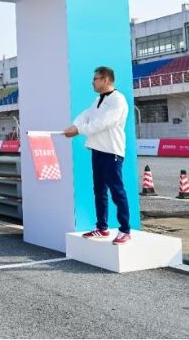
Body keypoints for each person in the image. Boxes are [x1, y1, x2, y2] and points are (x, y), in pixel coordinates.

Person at [63, 66, 131, 245]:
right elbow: (85, 116)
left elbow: (103, 123)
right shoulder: (97, 100)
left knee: (117, 191)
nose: (92, 82)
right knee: (99, 191)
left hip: (112, 152)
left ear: (106, 80)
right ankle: (102, 227)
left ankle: (125, 230)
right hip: (97, 150)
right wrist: (75, 126)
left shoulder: (118, 100)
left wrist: (78, 130)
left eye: (95, 79)